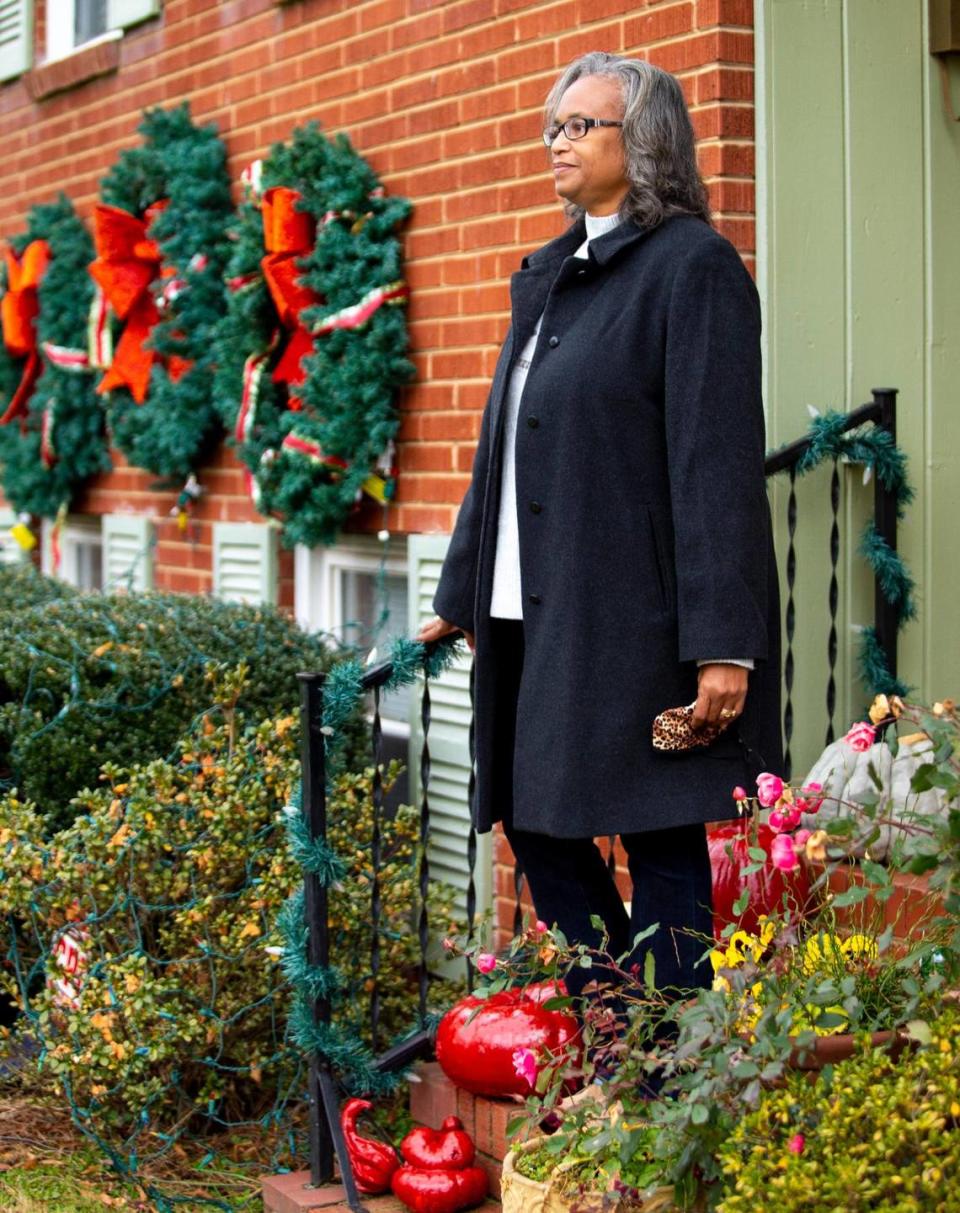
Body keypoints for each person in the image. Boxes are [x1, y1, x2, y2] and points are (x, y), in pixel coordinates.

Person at [417, 52, 781, 998]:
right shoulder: (550, 275)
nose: (559, 142)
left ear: (645, 141)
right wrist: (458, 592)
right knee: (533, 817)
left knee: (658, 833)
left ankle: (666, 1072)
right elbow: (499, 448)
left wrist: (725, 642)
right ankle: (631, 1032)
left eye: (582, 125)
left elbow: (717, 466)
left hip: (634, 614)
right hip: (527, 608)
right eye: (554, 125)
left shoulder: (691, 267)